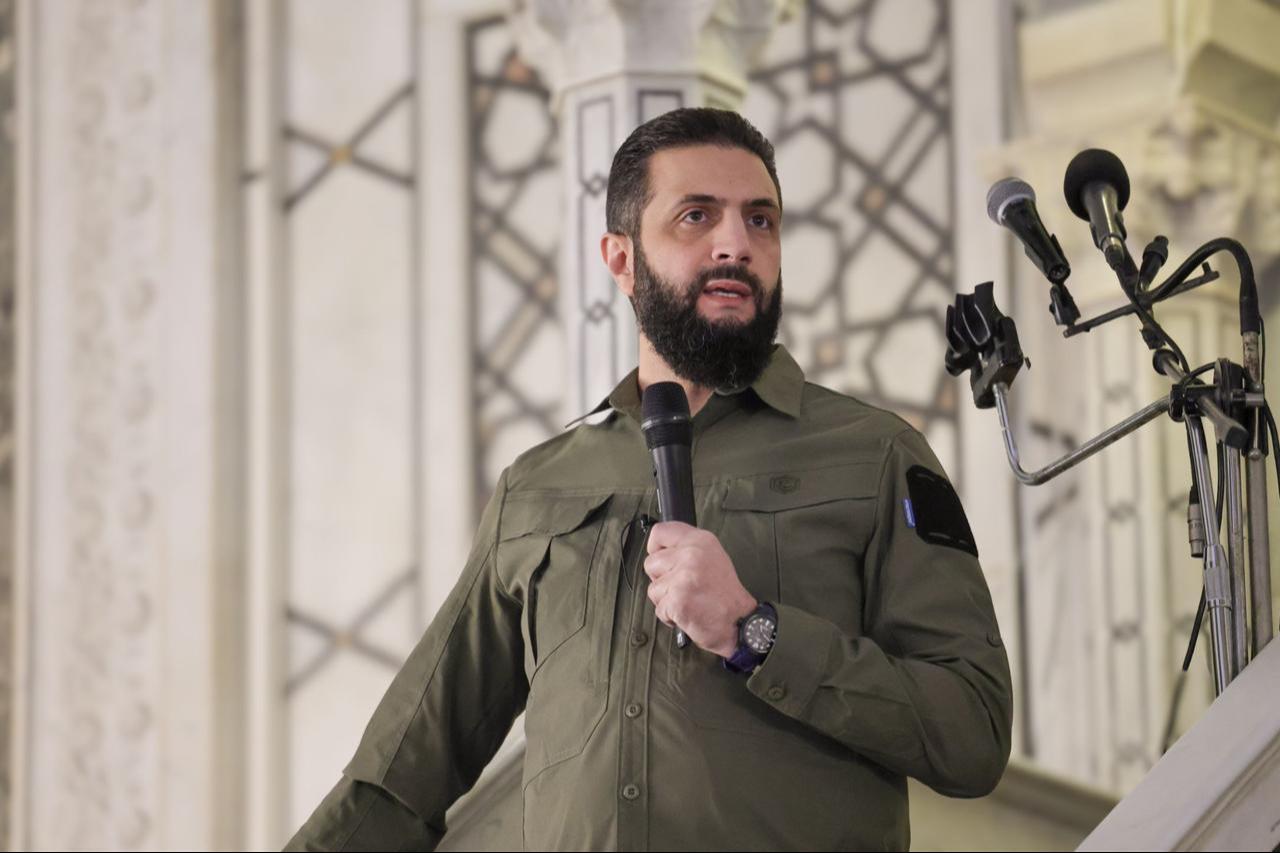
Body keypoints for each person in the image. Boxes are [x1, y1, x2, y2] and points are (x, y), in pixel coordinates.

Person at [286, 107, 1012, 852]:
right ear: (621, 258)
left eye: (760, 220)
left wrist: (755, 632)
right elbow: (404, 771)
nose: (736, 243)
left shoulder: (877, 454)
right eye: (697, 216)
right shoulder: (539, 485)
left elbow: (973, 730)